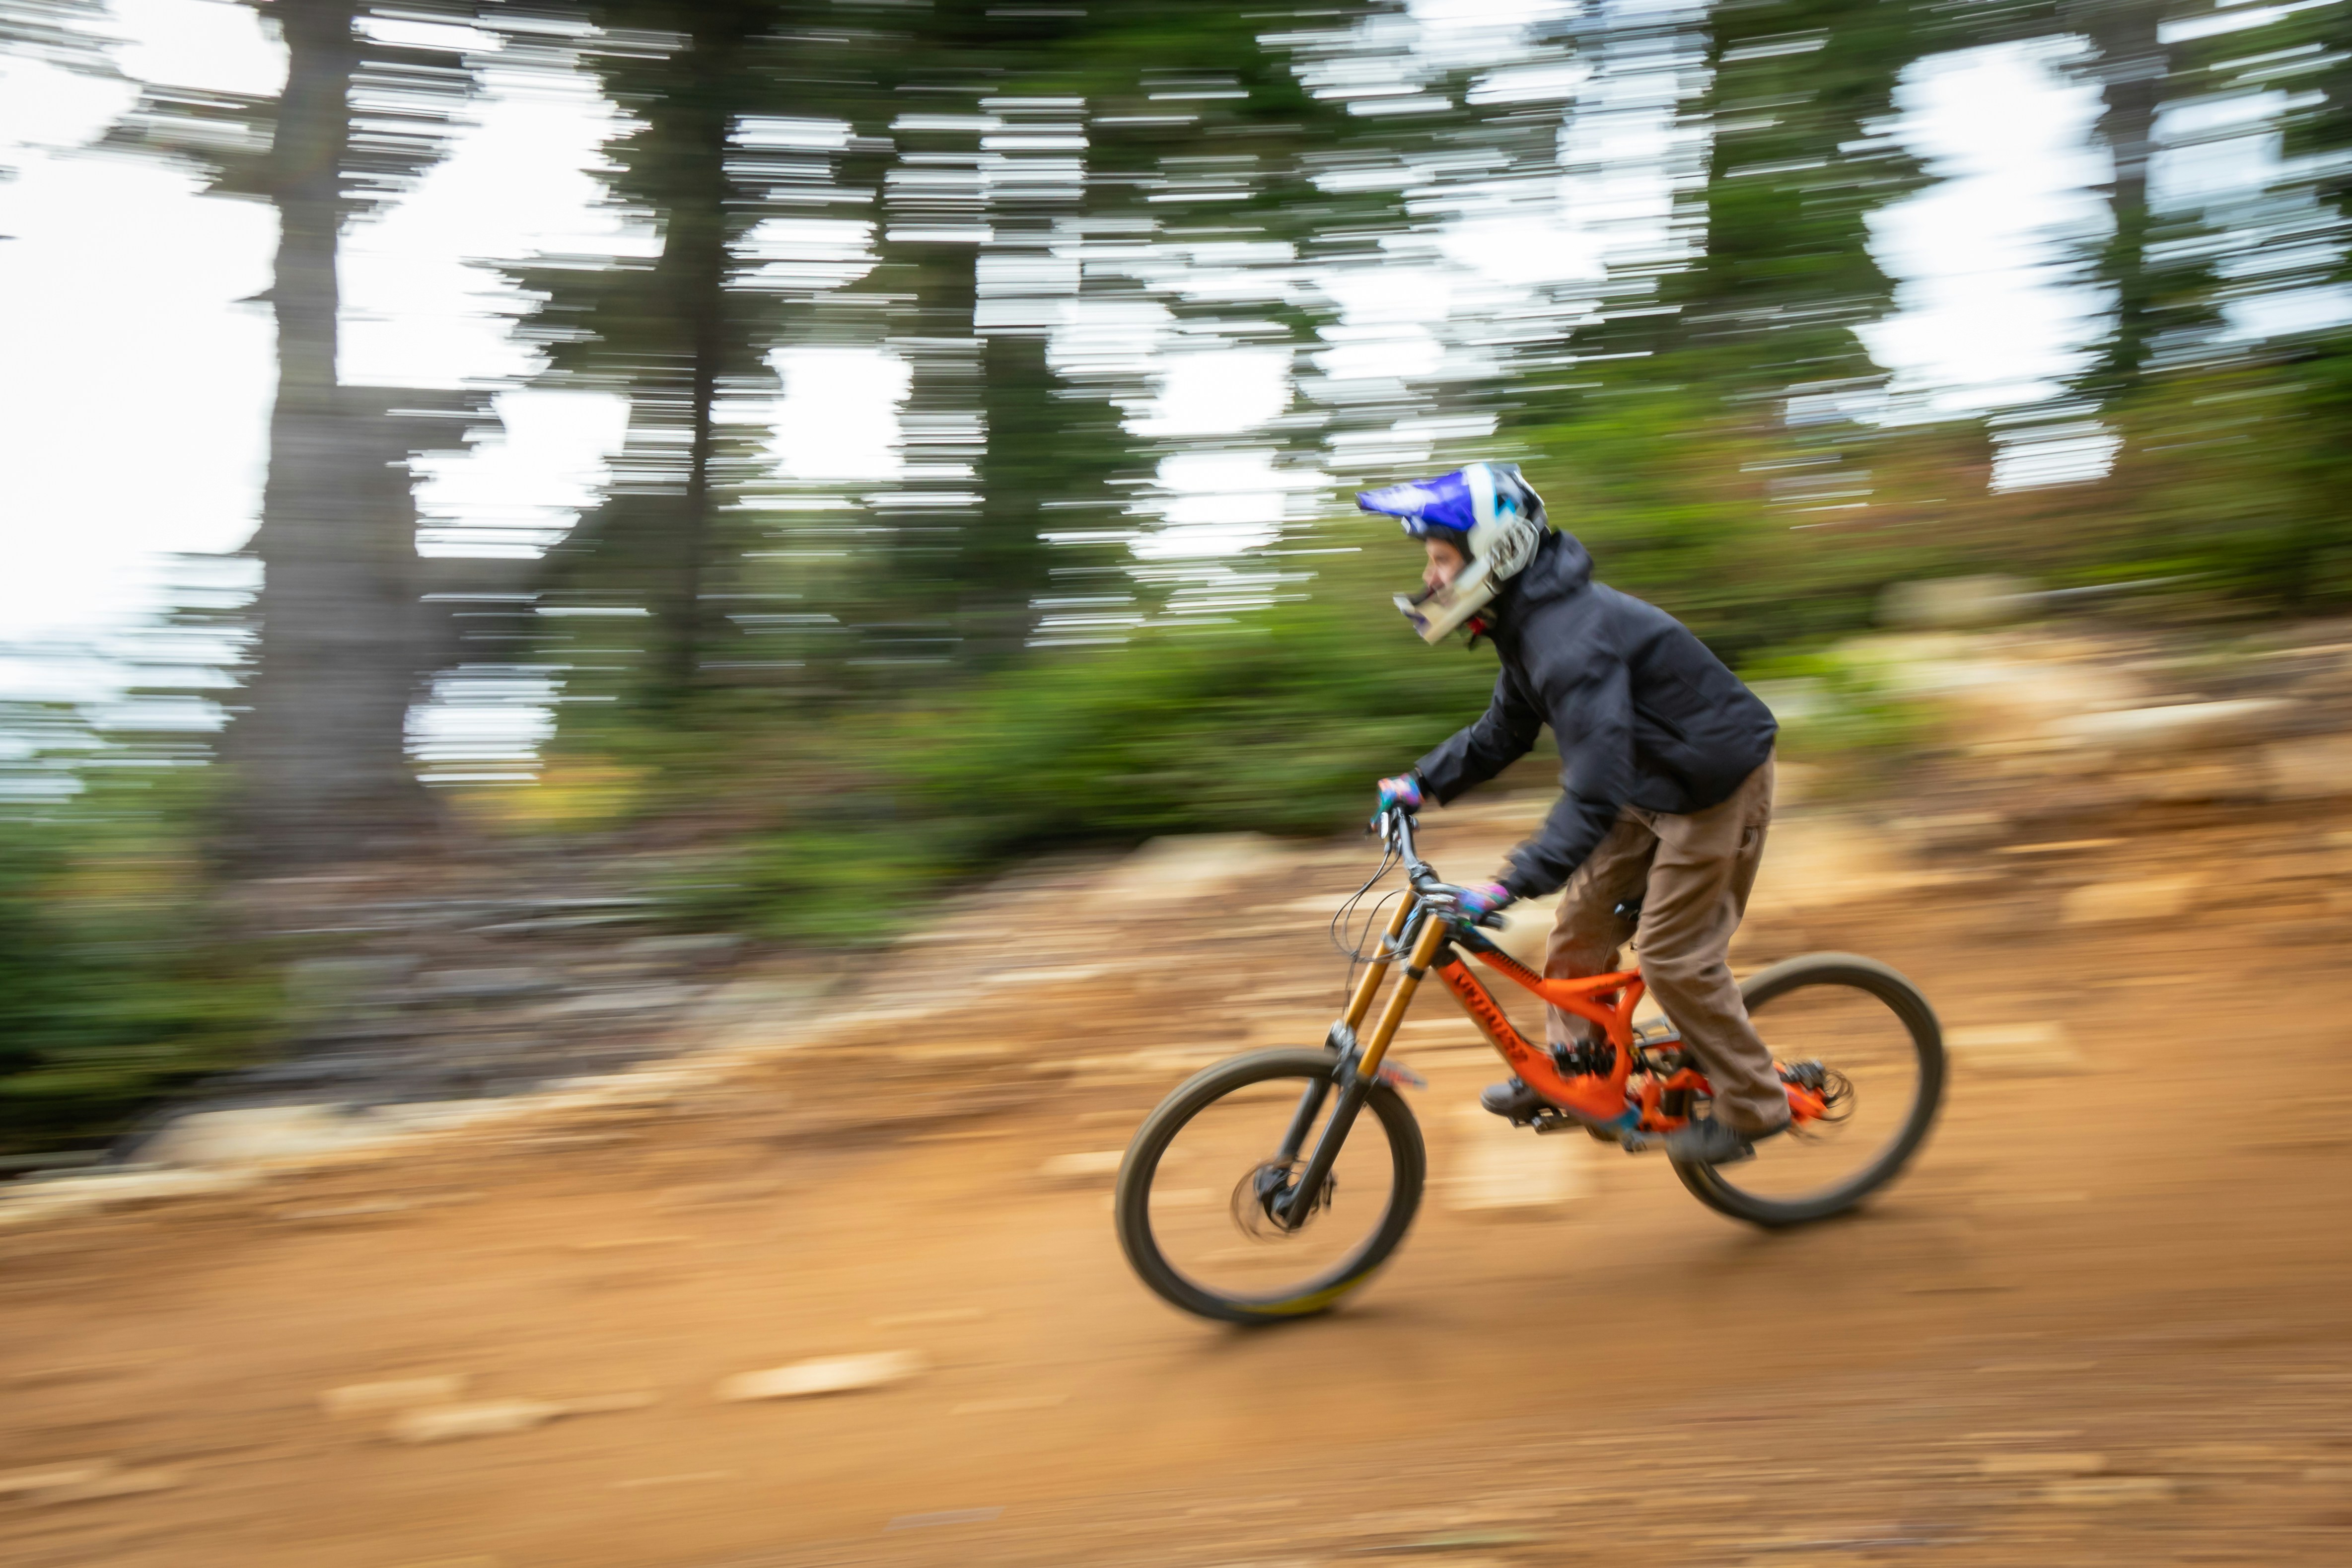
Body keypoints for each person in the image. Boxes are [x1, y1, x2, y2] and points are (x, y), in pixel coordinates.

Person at [1356, 462, 1785, 1165]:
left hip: (1714, 785)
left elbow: (1591, 788)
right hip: (1645, 786)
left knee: (1674, 956)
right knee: (1576, 936)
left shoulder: (1569, 638)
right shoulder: (1527, 621)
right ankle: (1577, 1072)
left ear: (1493, 552)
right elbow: (1504, 731)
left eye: (1440, 559)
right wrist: (1418, 783)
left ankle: (1754, 1103)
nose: (1431, 578)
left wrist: (1509, 882)